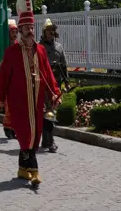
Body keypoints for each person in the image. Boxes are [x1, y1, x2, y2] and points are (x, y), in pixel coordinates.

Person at [0, 0, 60, 188]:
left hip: (36, 101)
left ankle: (22, 169)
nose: (30, 31)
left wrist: (54, 92)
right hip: (19, 102)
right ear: (19, 30)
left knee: (34, 136)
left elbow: (48, 73)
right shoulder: (11, 52)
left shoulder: (41, 50)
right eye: (26, 27)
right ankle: (34, 172)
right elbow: (3, 78)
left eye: (31, 27)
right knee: (26, 134)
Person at [40, 18, 69, 153]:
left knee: (51, 112)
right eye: (49, 30)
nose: (52, 32)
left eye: (53, 30)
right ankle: (50, 141)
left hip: (55, 84)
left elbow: (64, 65)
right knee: (48, 112)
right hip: (44, 84)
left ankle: (46, 140)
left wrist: (66, 81)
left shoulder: (59, 47)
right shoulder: (39, 47)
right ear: (44, 32)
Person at [3, 18, 19, 139]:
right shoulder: (4, 47)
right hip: (8, 78)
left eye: (16, 31)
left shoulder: (18, 45)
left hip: (17, 78)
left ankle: (15, 127)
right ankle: (7, 126)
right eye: (12, 31)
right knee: (9, 105)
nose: (15, 34)